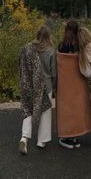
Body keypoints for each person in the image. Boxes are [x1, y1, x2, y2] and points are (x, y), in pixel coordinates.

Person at [19, 25, 56, 154]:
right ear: (48, 35)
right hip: (45, 85)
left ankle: (24, 137)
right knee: (45, 111)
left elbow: (21, 66)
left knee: (28, 109)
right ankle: (42, 140)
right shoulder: (51, 51)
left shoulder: (27, 48)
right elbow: (53, 72)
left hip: (29, 84)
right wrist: (55, 86)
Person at [56, 20, 91, 149]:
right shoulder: (80, 46)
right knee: (77, 107)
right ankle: (76, 136)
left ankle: (67, 137)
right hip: (78, 82)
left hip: (65, 83)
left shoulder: (61, 45)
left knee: (66, 108)